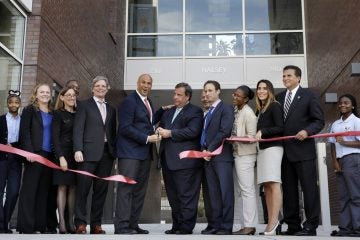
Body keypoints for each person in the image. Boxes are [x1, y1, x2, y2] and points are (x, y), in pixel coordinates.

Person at [277, 65, 324, 236]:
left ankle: (311, 226)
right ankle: (293, 225)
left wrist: (307, 131)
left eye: (289, 75)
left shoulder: (309, 95)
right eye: (283, 76)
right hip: (285, 153)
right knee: (289, 191)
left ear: (298, 78)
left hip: (304, 151)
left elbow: (319, 120)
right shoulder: (279, 97)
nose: (285, 78)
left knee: (309, 189)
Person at [114, 73, 160, 234]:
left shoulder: (148, 102)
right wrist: (147, 138)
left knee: (139, 191)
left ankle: (133, 224)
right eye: (143, 82)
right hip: (129, 153)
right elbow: (125, 128)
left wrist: (161, 111)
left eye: (149, 83)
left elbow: (146, 122)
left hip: (145, 154)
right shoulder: (128, 102)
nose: (146, 86)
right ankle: (121, 226)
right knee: (126, 189)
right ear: (137, 83)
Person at [157, 83, 203, 234]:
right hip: (167, 161)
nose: (175, 97)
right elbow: (161, 126)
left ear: (187, 96)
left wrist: (169, 133)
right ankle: (176, 225)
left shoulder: (195, 111)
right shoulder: (169, 112)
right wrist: (159, 129)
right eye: (174, 94)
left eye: (179, 95)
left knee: (186, 195)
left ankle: (186, 227)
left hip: (186, 162)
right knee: (172, 195)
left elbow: (193, 131)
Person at [73, 76, 116, 234]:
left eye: (103, 86)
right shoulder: (84, 105)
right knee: (83, 190)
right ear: (92, 88)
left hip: (107, 154)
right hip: (87, 154)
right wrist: (77, 149)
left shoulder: (111, 109)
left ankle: (96, 224)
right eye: (97, 86)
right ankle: (80, 223)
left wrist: (114, 151)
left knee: (101, 191)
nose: (100, 88)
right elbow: (78, 128)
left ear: (107, 88)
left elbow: (112, 131)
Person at [16, 83, 54, 234]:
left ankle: (40, 225)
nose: (45, 94)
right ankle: (26, 226)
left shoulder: (52, 112)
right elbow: (24, 132)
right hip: (34, 154)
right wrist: (29, 152)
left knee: (43, 191)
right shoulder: (29, 110)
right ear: (36, 94)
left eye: (47, 92)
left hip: (49, 156)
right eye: (42, 92)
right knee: (29, 191)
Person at [200, 80, 234, 235]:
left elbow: (224, 131)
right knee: (213, 194)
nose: (207, 93)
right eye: (205, 91)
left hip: (221, 158)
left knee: (225, 193)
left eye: (210, 90)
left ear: (218, 91)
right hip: (208, 159)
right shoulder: (208, 112)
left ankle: (226, 227)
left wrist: (210, 149)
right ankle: (215, 225)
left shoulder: (226, 108)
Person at [255, 80, 284, 235]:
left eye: (264, 88)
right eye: (259, 88)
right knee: (266, 187)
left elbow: (281, 127)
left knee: (274, 183)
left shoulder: (275, 106)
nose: (261, 91)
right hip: (262, 150)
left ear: (270, 90)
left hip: (273, 149)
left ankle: (274, 221)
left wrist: (263, 132)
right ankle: (271, 223)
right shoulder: (260, 110)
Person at [329, 94, 360, 237]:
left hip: (353, 159)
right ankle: (345, 229)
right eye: (341, 103)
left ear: (352, 105)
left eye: (346, 103)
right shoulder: (335, 124)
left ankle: (357, 228)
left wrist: (345, 142)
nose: (342, 105)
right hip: (340, 161)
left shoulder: (357, 121)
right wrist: (334, 161)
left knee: (355, 195)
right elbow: (332, 144)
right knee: (344, 197)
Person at [231, 85, 258, 235]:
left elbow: (252, 137)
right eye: (234, 94)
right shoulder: (237, 111)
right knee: (240, 192)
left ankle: (250, 226)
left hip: (246, 156)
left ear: (246, 99)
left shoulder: (249, 114)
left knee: (247, 190)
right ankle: (244, 225)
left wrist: (234, 138)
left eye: (238, 96)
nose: (234, 97)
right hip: (237, 154)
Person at [52, 87, 77, 234]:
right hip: (62, 155)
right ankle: (61, 222)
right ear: (61, 97)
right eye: (68, 95)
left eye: (73, 95)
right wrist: (61, 157)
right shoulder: (58, 114)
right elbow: (55, 138)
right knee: (62, 187)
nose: (71, 97)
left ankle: (70, 222)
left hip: (76, 156)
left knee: (73, 187)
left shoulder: (79, 113)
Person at [0, 91, 22, 234]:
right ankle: (0, 225)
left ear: (20, 104)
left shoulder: (23, 121)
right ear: (7, 104)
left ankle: (6, 222)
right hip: (1, 159)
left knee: (13, 192)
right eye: (11, 102)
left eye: (16, 102)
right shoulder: (1, 119)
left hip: (16, 161)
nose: (13, 104)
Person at [199, 90, 213, 233]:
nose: (205, 99)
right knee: (207, 193)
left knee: (215, 192)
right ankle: (211, 223)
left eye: (207, 96)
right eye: (202, 97)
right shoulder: (199, 115)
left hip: (214, 157)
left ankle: (217, 222)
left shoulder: (218, 113)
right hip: (199, 160)